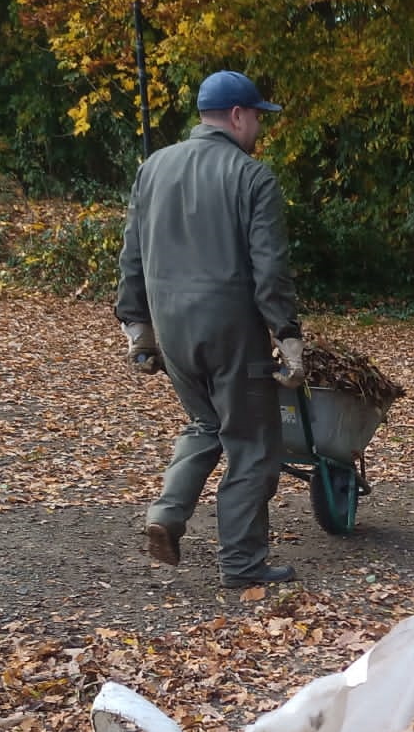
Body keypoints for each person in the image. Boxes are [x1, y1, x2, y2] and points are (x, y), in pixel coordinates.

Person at [117, 70, 307, 589]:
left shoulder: (153, 168)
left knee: (205, 423)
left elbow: (132, 254)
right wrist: (287, 336)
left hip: (173, 331)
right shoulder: (252, 177)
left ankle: (167, 512)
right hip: (232, 333)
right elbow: (270, 269)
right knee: (252, 444)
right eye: (257, 118)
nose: (259, 130)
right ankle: (242, 564)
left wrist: (137, 326)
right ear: (238, 116)